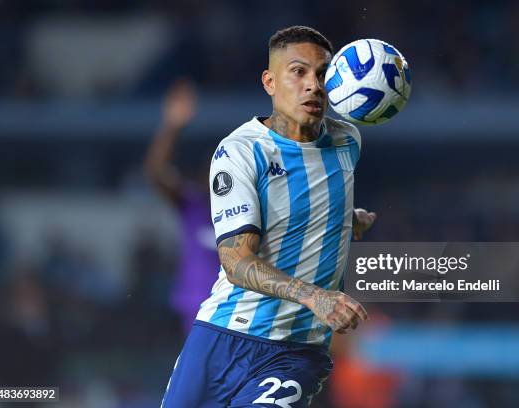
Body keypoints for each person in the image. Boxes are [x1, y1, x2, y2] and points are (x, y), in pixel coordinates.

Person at [161, 26, 377, 408]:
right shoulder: (240, 152)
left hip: (296, 351)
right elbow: (236, 261)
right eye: (299, 72)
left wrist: (344, 218)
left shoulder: (347, 142)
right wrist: (315, 297)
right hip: (220, 337)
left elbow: (316, 196)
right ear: (270, 82)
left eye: (323, 73)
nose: (313, 85)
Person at [145, 81, 219, 333]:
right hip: (197, 310)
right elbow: (156, 172)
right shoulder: (192, 204)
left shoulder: (249, 211)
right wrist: (171, 126)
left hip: (238, 314)